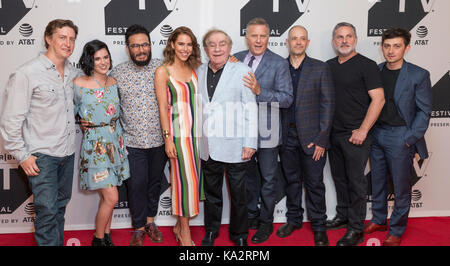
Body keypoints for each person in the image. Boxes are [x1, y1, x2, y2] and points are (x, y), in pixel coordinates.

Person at [0, 19, 79, 246]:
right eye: (62, 37)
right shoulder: (27, 73)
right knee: (46, 213)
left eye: (72, 38)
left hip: (67, 152)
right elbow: (11, 119)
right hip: (42, 156)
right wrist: (22, 155)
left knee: (59, 209)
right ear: (48, 39)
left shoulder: (74, 73)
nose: (68, 43)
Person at [364, 28, 432, 246]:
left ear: (407, 47)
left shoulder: (418, 74)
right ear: (381, 47)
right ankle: (379, 219)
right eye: (387, 46)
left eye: (396, 46)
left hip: (401, 135)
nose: (391, 51)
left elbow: (424, 111)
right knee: (377, 181)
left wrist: (410, 138)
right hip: (377, 134)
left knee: (402, 187)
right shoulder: (376, 70)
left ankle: (396, 230)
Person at [234, 17, 293, 244]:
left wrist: (260, 91)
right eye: (254, 35)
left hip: (268, 132)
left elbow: (287, 99)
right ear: (246, 37)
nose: (258, 40)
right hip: (240, 132)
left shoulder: (279, 63)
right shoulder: (235, 59)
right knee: (247, 178)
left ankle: (266, 221)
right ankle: (251, 215)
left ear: (269, 37)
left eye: (263, 36)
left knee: (269, 179)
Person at [326, 22, 385, 246]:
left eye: (349, 36)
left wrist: (363, 130)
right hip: (333, 134)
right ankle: (343, 216)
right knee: (339, 179)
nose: (344, 40)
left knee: (356, 183)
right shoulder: (328, 66)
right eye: (339, 37)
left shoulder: (367, 65)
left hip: (356, 135)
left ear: (356, 39)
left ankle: (356, 228)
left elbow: (378, 99)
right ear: (334, 41)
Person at [198, 29, 258, 246]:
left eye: (222, 44)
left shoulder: (242, 70)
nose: (217, 48)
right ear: (205, 49)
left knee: (239, 196)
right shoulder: (199, 71)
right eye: (212, 44)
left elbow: (250, 109)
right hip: (208, 146)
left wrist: (250, 143)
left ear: (230, 47)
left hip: (236, 145)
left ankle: (239, 235)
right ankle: (211, 231)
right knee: (212, 194)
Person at [109, 25, 167, 246]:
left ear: (150, 45)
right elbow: (106, 103)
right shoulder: (118, 74)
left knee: (155, 183)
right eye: (135, 45)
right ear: (127, 48)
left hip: (160, 141)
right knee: (136, 185)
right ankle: (138, 227)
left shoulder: (163, 68)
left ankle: (151, 222)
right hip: (132, 143)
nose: (141, 49)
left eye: (144, 44)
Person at [277, 26, 335, 246]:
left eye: (302, 39)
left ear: (307, 43)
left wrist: (322, 139)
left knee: (314, 184)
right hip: (286, 138)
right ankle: (294, 220)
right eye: (294, 39)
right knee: (291, 182)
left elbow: (328, 105)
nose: (298, 42)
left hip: (313, 139)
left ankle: (319, 225)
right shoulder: (279, 67)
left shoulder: (320, 68)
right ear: (288, 42)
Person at [74, 40, 130, 246]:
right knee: (112, 197)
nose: (103, 62)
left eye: (105, 57)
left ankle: (107, 236)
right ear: (90, 61)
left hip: (115, 142)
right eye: (97, 58)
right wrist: (80, 120)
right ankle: (98, 240)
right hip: (95, 146)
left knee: (110, 196)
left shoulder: (114, 82)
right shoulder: (79, 84)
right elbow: (68, 112)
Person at [154, 26, 204, 246]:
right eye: (181, 43)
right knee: (184, 184)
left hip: (199, 137)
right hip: (179, 137)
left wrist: (230, 60)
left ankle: (178, 225)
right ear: (172, 44)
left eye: (189, 44)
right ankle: (184, 232)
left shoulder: (197, 69)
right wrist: (167, 139)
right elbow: (163, 107)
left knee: (194, 184)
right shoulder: (163, 71)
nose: (185, 48)